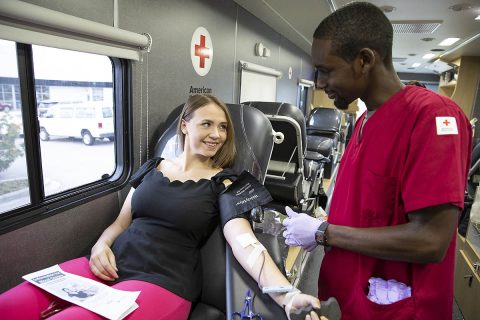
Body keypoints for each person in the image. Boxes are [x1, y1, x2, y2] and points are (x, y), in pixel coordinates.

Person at [0, 94, 320, 320]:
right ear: (184, 125)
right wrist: (101, 244)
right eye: (207, 124)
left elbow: (246, 244)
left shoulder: (225, 184)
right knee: (9, 305)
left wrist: (287, 295)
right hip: (109, 264)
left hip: (163, 281)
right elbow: (121, 222)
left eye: (223, 127)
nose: (217, 134)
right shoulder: (153, 168)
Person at [282, 2, 472, 320]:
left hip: (393, 309)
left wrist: (323, 232)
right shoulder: (364, 120)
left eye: (326, 71)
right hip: (347, 299)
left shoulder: (433, 117)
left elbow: (431, 240)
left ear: (365, 61)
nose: (318, 83)